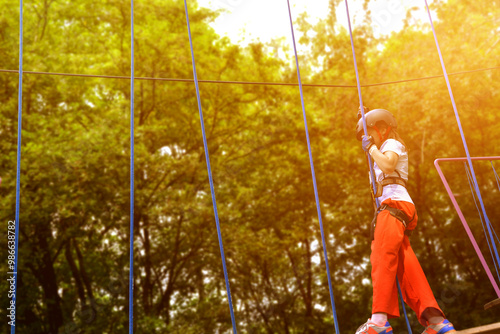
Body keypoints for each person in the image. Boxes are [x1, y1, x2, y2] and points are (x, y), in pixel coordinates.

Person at [354, 108, 455, 334]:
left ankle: (379, 322)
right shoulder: (380, 147)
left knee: (382, 256)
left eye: (370, 132)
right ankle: (437, 322)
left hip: (394, 205)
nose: (367, 138)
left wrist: (370, 148)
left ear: (383, 129)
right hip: (397, 206)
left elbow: (388, 165)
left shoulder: (391, 144)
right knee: (405, 264)